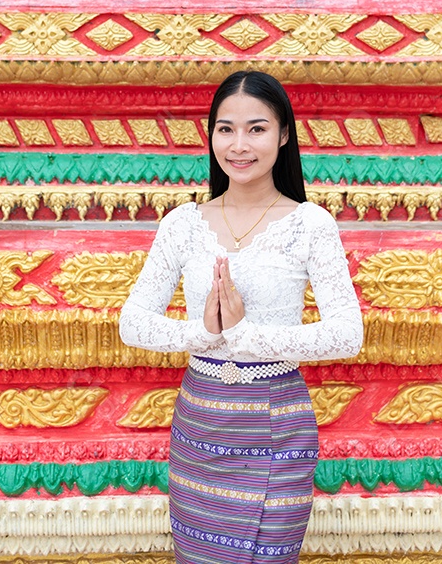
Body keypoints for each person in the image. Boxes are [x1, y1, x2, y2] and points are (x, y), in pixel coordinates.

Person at [119, 70, 363, 564]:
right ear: (211, 135)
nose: (239, 144)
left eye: (256, 128)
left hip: (276, 421)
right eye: (226, 129)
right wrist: (204, 332)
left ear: (283, 134)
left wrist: (247, 336)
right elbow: (133, 322)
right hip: (201, 421)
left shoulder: (309, 224)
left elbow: (347, 334)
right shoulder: (183, 224)